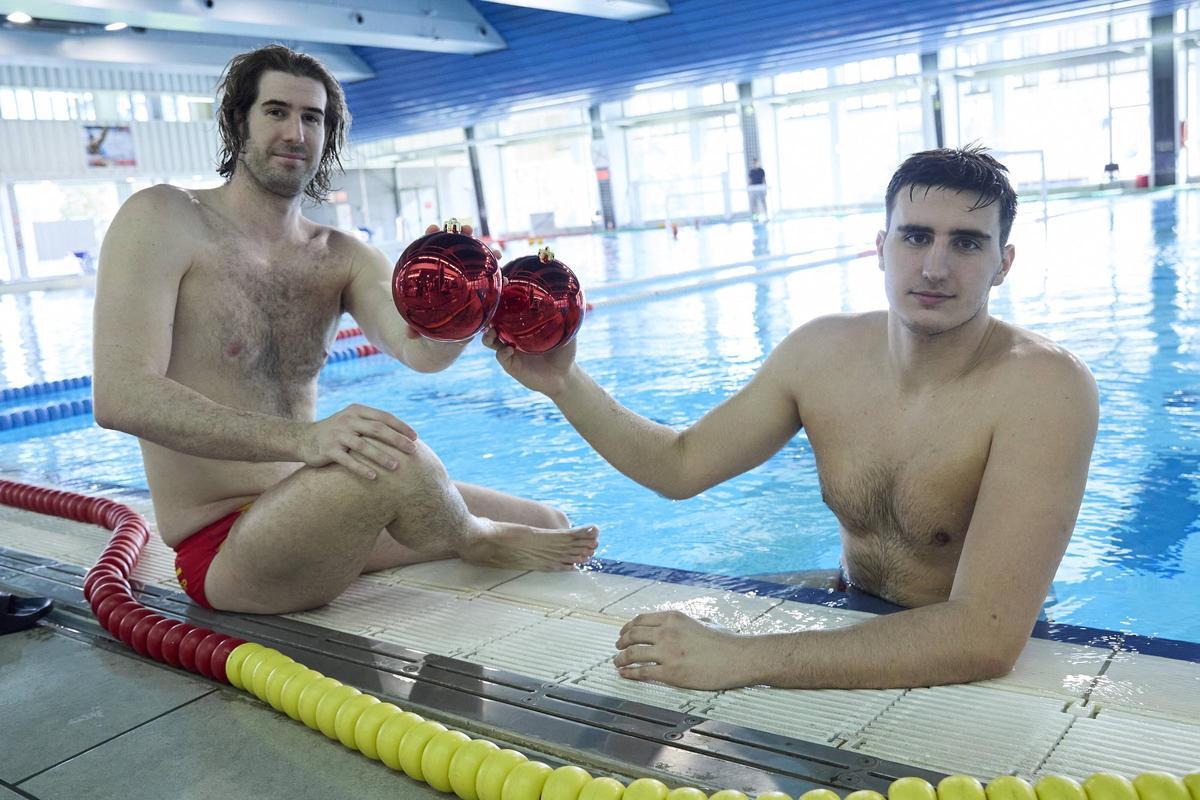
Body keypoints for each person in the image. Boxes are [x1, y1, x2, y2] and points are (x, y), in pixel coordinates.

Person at [487, 146, 1098, 690]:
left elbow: (985, 637)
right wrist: (563, 383)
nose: (936, 267)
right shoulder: (821, 354)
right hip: (850, 599)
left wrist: (740, 658)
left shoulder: (1044, 387)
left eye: (966, 242)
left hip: (962, 652)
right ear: (881, 248)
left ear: (1004, 262)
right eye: (916, 237)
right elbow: (680, 467)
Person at [92, 45, 598, 615]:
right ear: (239, 121)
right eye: (276, 111)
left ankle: (476, 533)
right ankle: (474, 539)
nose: (296, 132)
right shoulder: (163, 217)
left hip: (322, 506)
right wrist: (306, 441)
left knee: (548, 523)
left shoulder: (340, 255)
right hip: (230, 545)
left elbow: (421, 353)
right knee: (389, 453)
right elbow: (120, 395)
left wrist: (461, 304)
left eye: (313, 118)